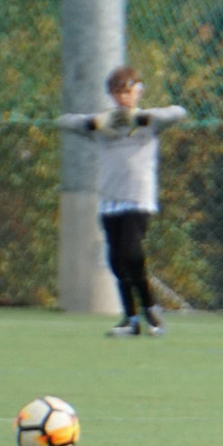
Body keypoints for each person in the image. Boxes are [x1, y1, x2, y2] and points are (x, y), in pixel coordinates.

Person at [57, 66, 188, 336]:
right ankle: (131, 319)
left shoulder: (149, 121)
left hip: (137, 198)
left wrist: (139, 118)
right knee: (116, 260)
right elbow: (64, 122)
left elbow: (178, 112)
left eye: (128, 92)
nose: (122, 98)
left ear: (138, 91)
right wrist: (95, 123)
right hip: (110, 199)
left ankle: (150, 308)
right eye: (117, 93)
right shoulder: (106, 122)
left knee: (131, 252)